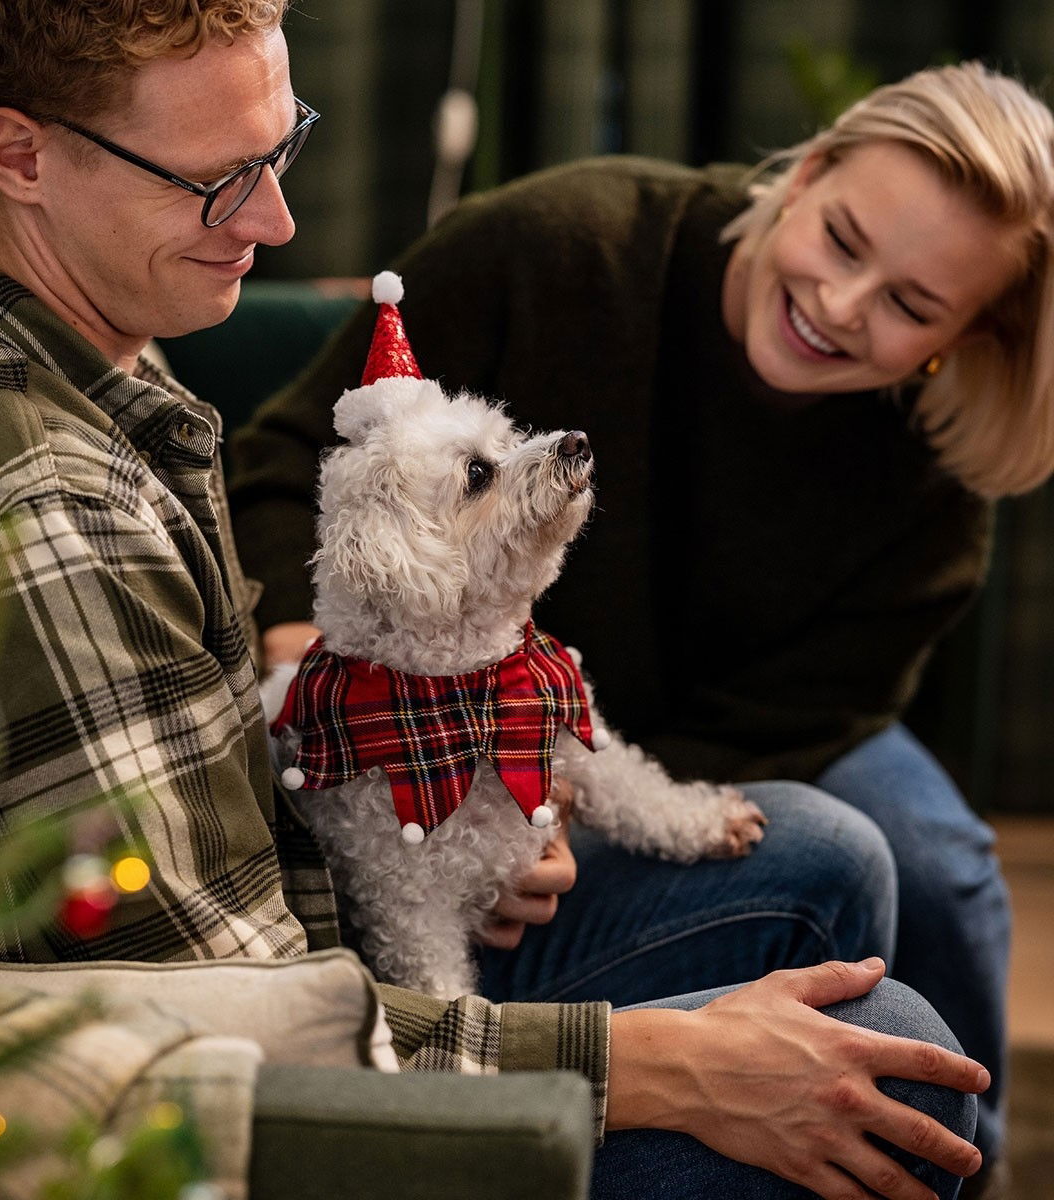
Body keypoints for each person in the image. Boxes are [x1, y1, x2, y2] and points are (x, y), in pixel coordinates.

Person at [0, 5, 987, 1198]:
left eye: (282, 146)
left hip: (327, 913)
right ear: (22, 158)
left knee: (823, 851)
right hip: (255, 1096)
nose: (274, 221)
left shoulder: (103, 350)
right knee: (893, 1060)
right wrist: (655, 1065)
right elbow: (244, 1052)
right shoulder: (49, 521)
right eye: (217, 182)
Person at [230, 60, 1054, 1188]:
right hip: (420, 708)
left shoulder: (933, 480)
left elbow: (808, 714)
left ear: (959, 338)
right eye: (844, 240)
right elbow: (278, 465)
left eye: (914, 306)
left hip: (696, 740)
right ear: (803, 174)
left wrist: (549, 805)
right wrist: (308, 659)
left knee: (939, 861)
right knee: (846, 854)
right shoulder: (558, 245)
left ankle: (970, 1162)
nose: (842, 306)